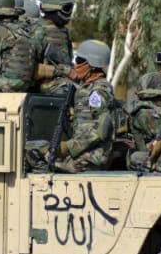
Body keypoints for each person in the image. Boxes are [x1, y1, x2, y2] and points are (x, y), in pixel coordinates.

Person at [26, 39, 115, 173]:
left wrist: (68, 147)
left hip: (89, 159)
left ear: (91, 65)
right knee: (32, 147)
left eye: (79, 60)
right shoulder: (88, 87)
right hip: (80, 154)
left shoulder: (98, 91)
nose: (76, 64)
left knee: (33, 155)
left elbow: (101, 129)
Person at [32, 0, 75, 95]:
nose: (70, 13)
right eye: (67, 8)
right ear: (54, 9)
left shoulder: (63, 31)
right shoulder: (38, 31)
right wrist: (65, 71)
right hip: (42, 85)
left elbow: (68, 62)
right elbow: (29, 68)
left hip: (62, 81)